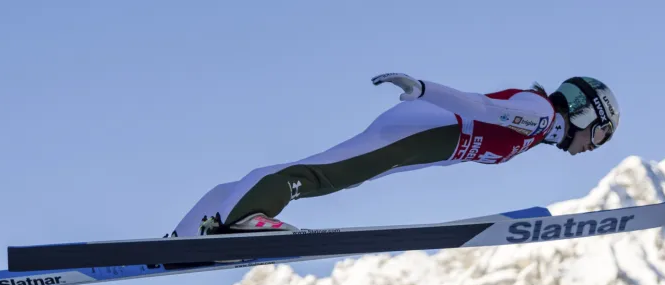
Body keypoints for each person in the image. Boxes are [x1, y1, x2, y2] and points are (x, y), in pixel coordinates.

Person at [168, 72, 621, 238]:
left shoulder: (539, 124)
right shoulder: (540, 115)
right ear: (585, 115)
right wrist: (425, 89)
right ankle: (243, 219)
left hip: (422, 135)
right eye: (599, 136)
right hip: (424, 126)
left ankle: (202, 223)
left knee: (332, 168)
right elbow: (481, 108)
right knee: (327, 175)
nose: (591, 149)